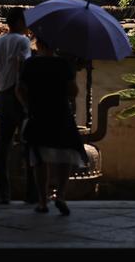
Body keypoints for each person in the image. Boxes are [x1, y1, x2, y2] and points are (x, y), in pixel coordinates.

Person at [16, 34, 88, 216]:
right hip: (61, 113)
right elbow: (73, 91)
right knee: (66, 155)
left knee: (39, 158)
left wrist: (27, 106)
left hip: (38, 113)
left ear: (38, 44)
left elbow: (20, 89)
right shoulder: (63, 64)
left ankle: (42, 201)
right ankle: (61, 195)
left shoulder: (30, 64)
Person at [0, 7, 34, 204]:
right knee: (29, 144)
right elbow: (25, 66)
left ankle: (4, 195)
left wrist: (3, 70)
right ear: (20, 22)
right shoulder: (23, 41)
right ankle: (32, 194)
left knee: (2, 147)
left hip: (3, 96)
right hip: (19, 95)